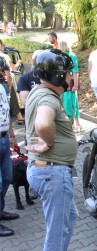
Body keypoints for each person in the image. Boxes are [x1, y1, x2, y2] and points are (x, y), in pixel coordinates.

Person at [25, 49, 78, 251]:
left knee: (70, 216)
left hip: (46, 170)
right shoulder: (48, 98)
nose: (70, 76)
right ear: (58, 75)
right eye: (67, 72)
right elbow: (43, 123)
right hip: (53, 172)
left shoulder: (38, 91)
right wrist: (48, 142)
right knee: (57, 233)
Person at [0, 55, 19, 237]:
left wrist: (12, 135)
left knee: (7, 177)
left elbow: (6, 114)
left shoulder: (3, 87)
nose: (6, 74)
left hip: (4, 138)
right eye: (4, 71)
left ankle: (1, 210)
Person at [59, 41, 82, 132]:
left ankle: (73, 125)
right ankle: (76, 124)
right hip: (65, 82)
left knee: (71, 103)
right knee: (67, 103)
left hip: (70, 82)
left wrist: (76, 85)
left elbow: (75, 71)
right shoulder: (63, 55)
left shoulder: (71, 55)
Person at [0, 39, 25, 124]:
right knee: (12, 99)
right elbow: (13, 68)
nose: (4, 47)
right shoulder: (4, 57)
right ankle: (19, 117)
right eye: (3, 45)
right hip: (5, 81)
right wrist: (18, 62)